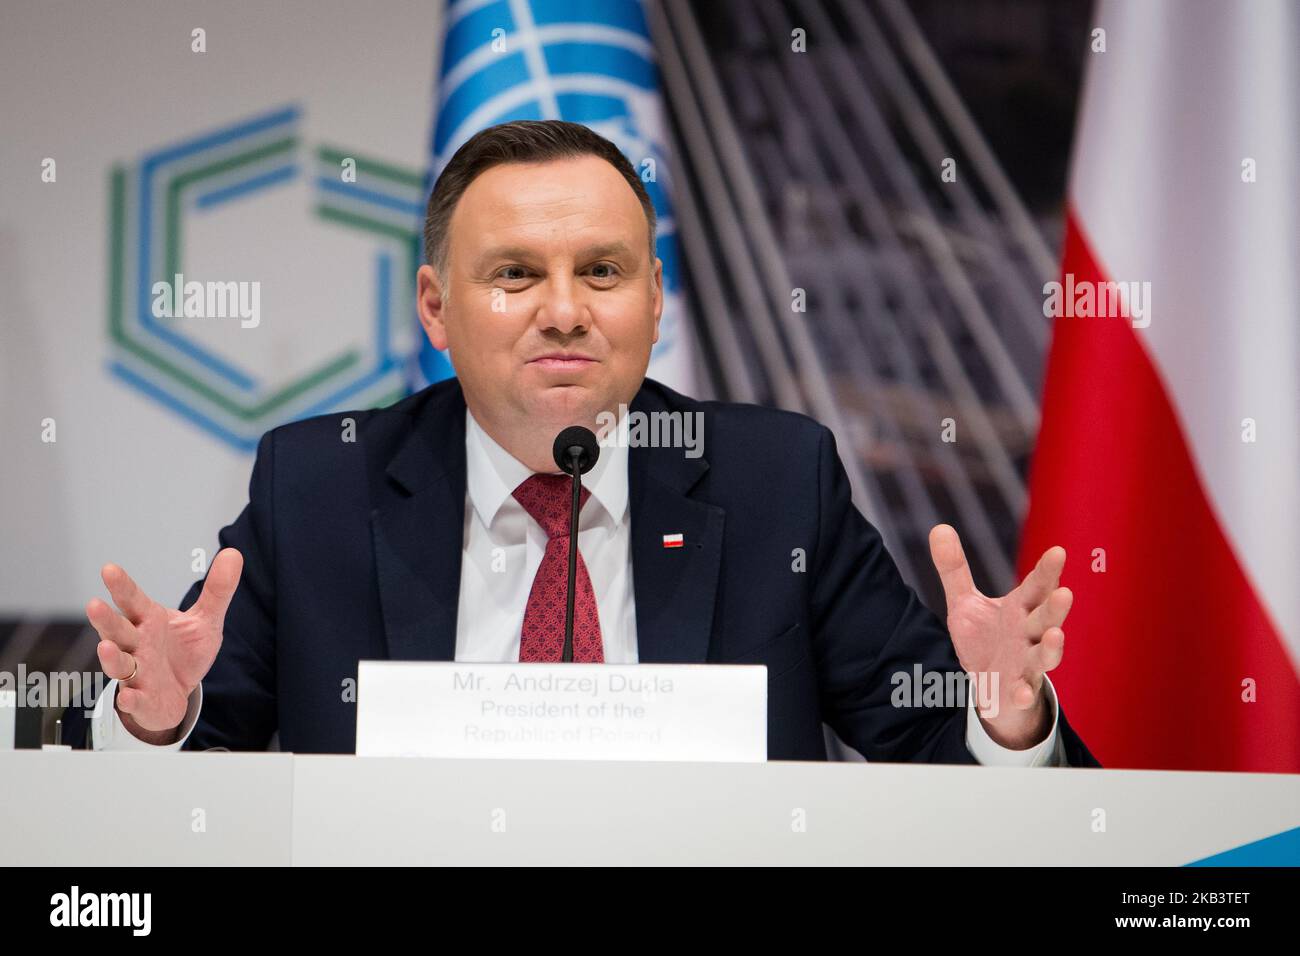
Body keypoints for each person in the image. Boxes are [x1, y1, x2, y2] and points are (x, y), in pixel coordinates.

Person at [66, 120, 1095, 765]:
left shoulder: (776, 481)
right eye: (514, 273)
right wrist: (155, 716)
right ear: (434, 306)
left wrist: (1004, 718)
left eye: (602, 271)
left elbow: (940, 752)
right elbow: (195, 749)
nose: (563, 311)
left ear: (655, 300)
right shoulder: (319, 486)